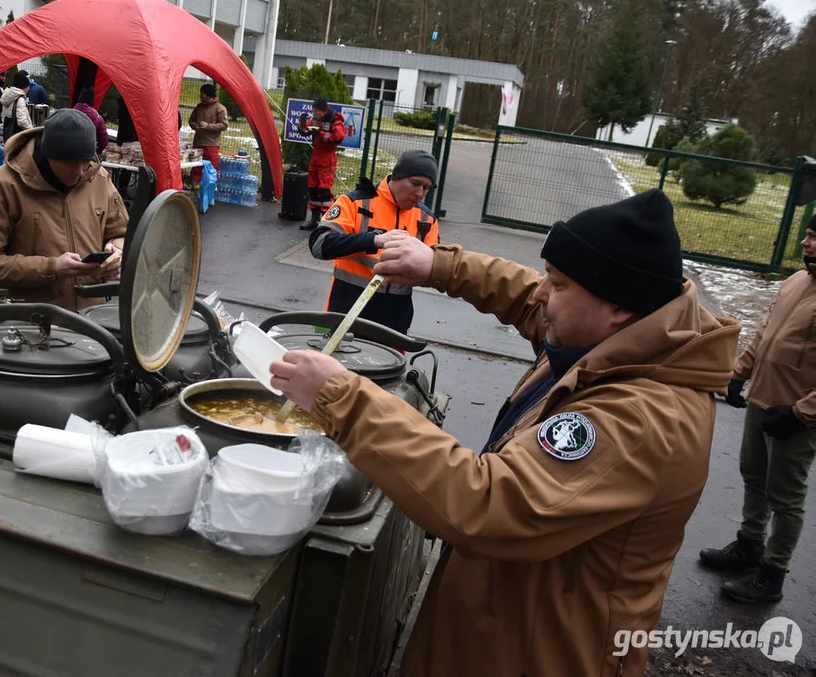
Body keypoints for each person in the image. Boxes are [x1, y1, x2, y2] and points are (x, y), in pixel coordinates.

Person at [271, 189, 740, 676]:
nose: (541, 294)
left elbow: (487, 504)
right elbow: (527, 298)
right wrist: (439, 266)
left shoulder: (641, 419)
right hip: (502, 616)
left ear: (619, 308)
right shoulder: (623, 338)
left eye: (557, 285)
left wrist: (342, 396)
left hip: (540, 651)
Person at [699, 214, 816, 604]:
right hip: (763, 401)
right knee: (754, 477)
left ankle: (773, 574)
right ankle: (749, 545)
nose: (806, 243)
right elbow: (765, 331)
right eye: (808, 235)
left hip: (796, 417)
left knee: (786, 498)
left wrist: (801, 414)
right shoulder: (797, 281)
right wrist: (739, 373)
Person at [0, 108, 128, 311]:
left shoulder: (99, 178)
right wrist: (51, 268)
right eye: (70, 163)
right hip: (32, 322)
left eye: (85, 163)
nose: (79, 172)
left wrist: (117, 252)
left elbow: (122, 233)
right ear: (47, 153)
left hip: (92, 319)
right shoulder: (5, 184)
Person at [308, 149, 439, 334]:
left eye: (426, 188)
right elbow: (319, 245)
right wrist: (374, 240)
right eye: (415, 183)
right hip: (345, 316)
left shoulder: (427, 219)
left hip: (394, 325)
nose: (419, 193)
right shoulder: (355, 203)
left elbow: (434, 273)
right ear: (396, 177)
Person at [297, 98, 346, 230]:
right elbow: (304, 131)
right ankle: (314, 219)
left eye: (316, 111)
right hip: (316, 156)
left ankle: (327, 222)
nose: (314, 113)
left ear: (323, 110)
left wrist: (321, 133)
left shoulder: (334, 120)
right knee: (313, 188)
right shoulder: (314, 120)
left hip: (327, 158)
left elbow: (339, 137)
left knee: (324, 191)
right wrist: (302, 122)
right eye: (313, 111)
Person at [188, 84, 228, 183]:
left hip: (211, 144)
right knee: (196, 165)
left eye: (202, 93)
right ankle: (196, 184)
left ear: (207, 94)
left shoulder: (220, 109)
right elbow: (191, 120)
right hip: (198, 142)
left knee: (211, 167)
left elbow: (224, 125)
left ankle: (211, 187)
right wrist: (194, 125)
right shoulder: (199, 107)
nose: (200, 95)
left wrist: (207, 126)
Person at [73, 87, 110, 156]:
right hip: (87, 154)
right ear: (92, 100)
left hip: (68, 152)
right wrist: (98, 151)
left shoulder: (69, 113)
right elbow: (104, 141)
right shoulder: (97, 118)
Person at [1, 72, 34, 140]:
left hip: (8, 134)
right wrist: (32, 131)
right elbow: (22, 121)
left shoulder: (9, 96)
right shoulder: (20, 99)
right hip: (18, 137)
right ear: (24, 87)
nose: (28, 89)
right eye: (28, 86)